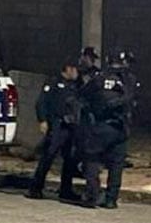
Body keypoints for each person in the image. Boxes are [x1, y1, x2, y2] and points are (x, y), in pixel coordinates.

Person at [68, 69, 130, 209]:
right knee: (116, 165)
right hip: (120, 128)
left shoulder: (98, 80)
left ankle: (92, 195)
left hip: (100, 126)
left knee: (91, 159)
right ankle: (111, 199)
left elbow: (81, 96)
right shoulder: (127, 80)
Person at [25, 59, 81, 201]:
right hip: (57, 125)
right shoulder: (54, 82)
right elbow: (41, 102)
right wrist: (43, 120)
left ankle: (66, 190)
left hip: (70, 126)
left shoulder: (75, 85)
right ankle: (35, 188)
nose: (77, 72)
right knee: (48, 156)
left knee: (69, 159)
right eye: (75, 69)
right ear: (68, 69)